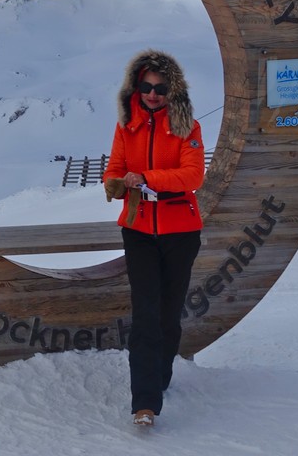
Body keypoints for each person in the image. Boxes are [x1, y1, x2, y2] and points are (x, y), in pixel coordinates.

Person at [102, 50, 204, 427]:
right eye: (146, 86)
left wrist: (147, 178)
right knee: (145, 314)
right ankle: (144, 402)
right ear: (135, 86)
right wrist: (115, 183)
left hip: (181, 232)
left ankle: (160, 378)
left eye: (160, 88)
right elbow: (114, 167)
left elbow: (192, 177)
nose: (152, 94)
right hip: (139, 230)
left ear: (172, 91)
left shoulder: (187, 127)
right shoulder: (125, 125)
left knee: (168, 314)